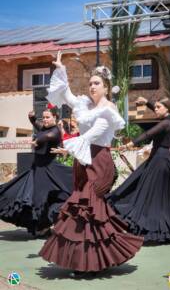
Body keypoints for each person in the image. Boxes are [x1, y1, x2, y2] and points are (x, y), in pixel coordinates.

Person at [39, 51, 143, 277]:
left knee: (88, 207)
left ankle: (90, 262)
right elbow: (66, 95)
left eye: (96, 83)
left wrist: (71, 145)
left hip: (99, 162)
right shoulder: (85, 105)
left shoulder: (109, 110)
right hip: (82, 161)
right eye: (90, 83)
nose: (92, 87)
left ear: (106, 87)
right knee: (85, 210)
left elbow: (95, 134)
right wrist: (61, 69)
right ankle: (91, 259)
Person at [107, 97, 170, 244]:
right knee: (149, 193)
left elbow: (148, 134)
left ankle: (154, 227)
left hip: (159, 162)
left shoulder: (166, 123)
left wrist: (129, 144)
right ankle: (158, 227)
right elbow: (160, 110)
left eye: (158, 107)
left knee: (148, 195)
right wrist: (147, 102)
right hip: (158, 160)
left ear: (167, 109)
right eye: (154, 107)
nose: (155, 109)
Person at [0, 108, 73, 236]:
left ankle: (44, 226)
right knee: (22, 194)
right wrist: (32, 117)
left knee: (42, 199)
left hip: (48, 170)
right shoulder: (44, 127)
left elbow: (46, 137)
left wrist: (37, 141)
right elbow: (36, 124)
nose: (44, 120)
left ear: (55, 118)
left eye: (48, 117)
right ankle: (43, 227)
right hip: (36, 169)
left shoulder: (55, 131)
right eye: (43, 117)